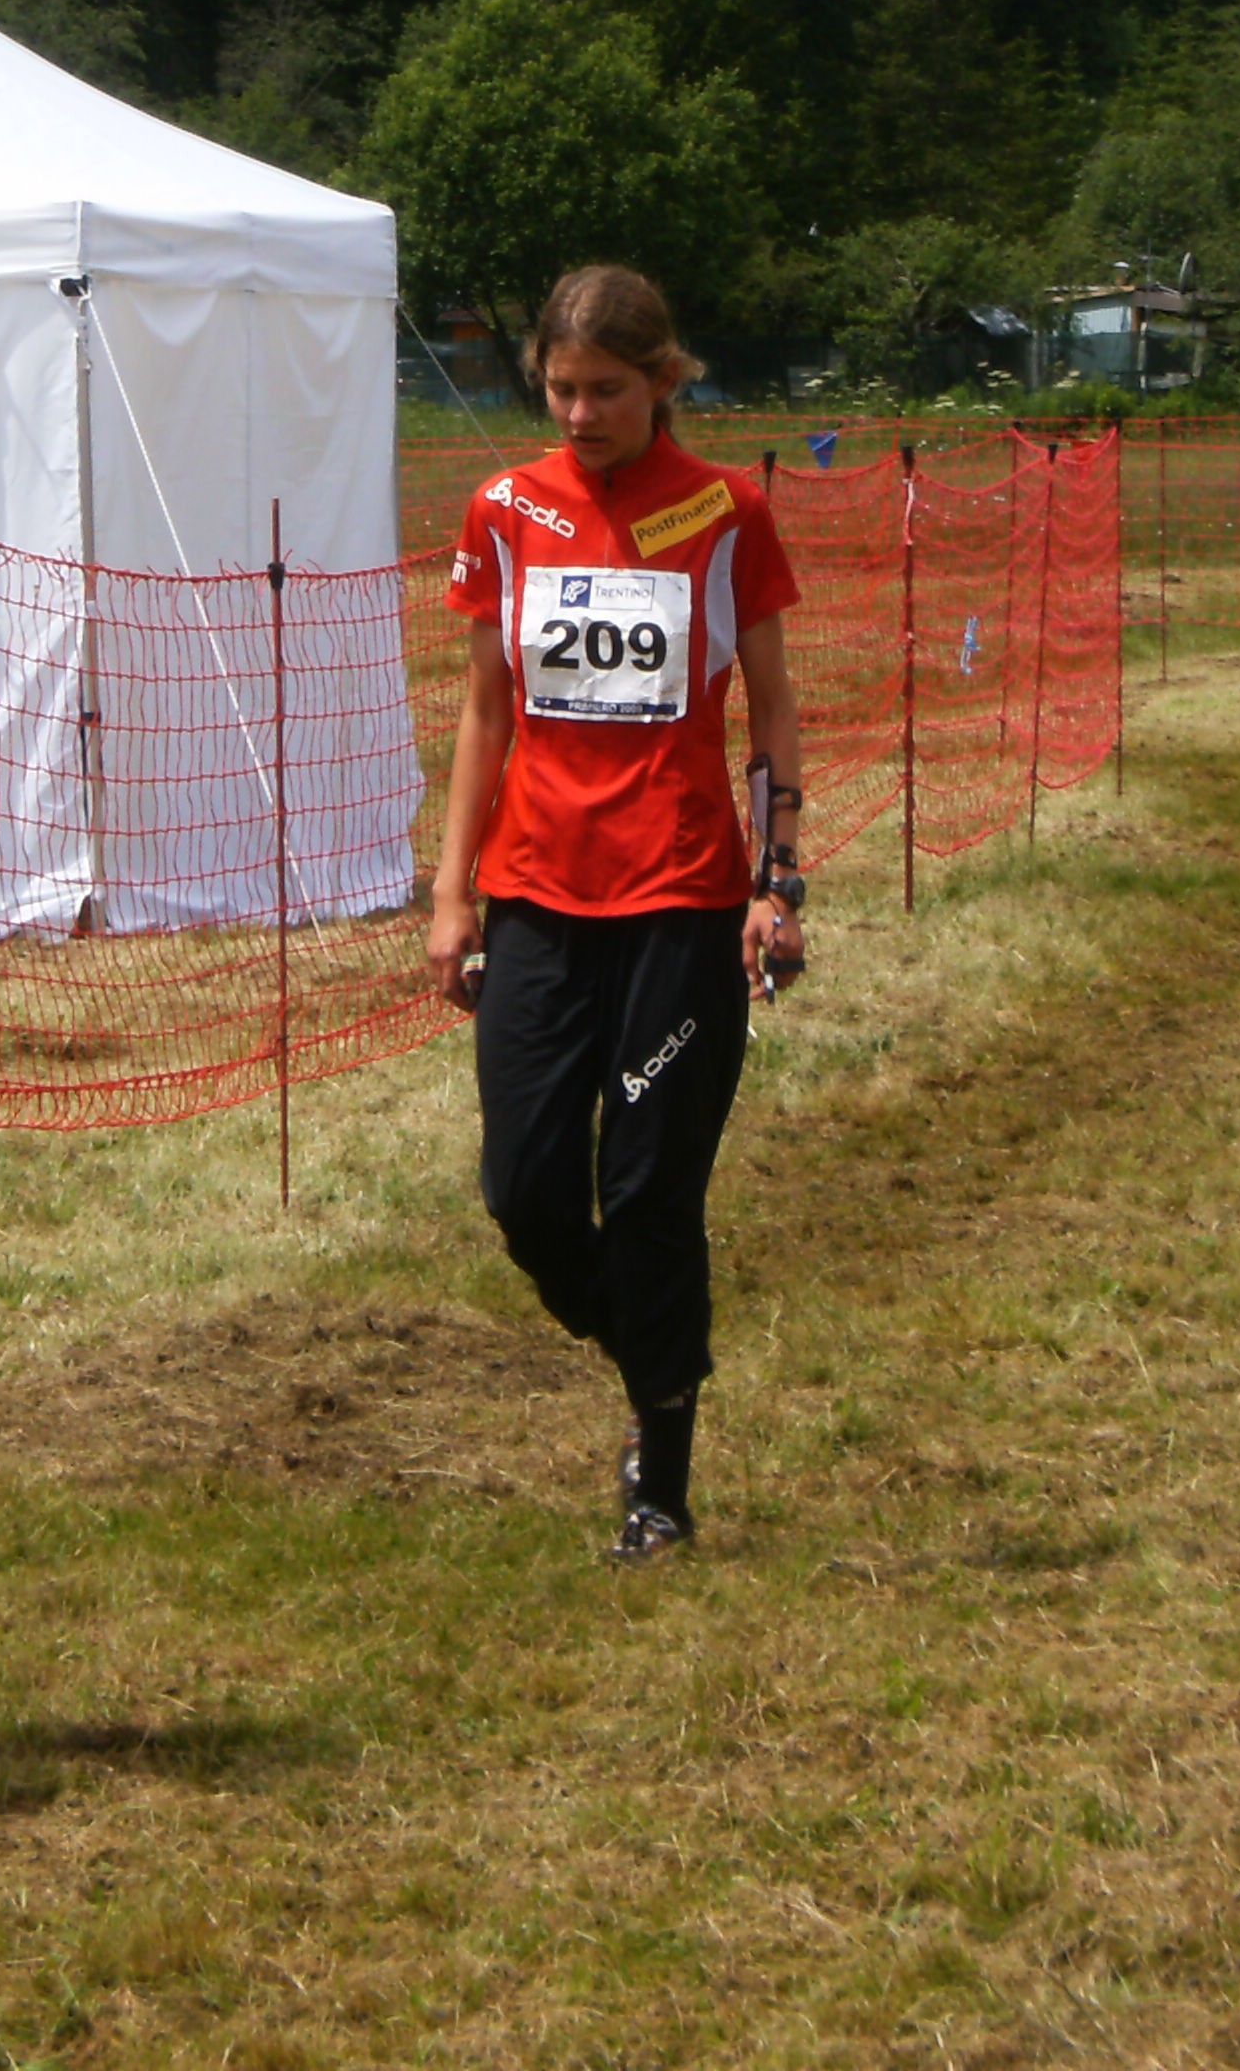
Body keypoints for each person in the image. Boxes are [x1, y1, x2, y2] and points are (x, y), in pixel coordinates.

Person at [424, 265, 805, 1564]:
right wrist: (451, 891)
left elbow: (772, 707)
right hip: (536, 897)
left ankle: (662, 1482)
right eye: (561, 390)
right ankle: (650, 1353)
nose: (581, 414)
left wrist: (778, 879)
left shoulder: (725, 510)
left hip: (681, 906)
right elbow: (485, 712)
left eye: (606, 390)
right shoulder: (506, 510)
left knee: (648, 1193)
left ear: (663, 380)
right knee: (525, 1190)